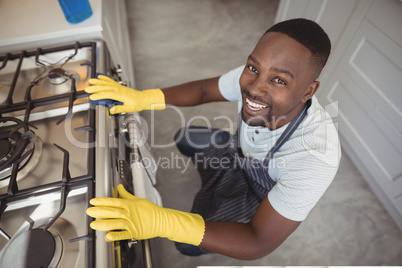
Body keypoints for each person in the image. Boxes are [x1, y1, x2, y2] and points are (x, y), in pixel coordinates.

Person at [85, 18, 341, 260]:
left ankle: (221, 198)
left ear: (309, 91)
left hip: (260, 196)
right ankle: (217, 179)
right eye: (253, 67)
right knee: (186, 137)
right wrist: (144, 97)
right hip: (239, 155)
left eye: (278, 80)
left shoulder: (314, 158)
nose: (253, 88)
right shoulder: (255, 79)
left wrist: (163, 222)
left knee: (186, 242)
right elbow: (206, 90)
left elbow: (258, 241)